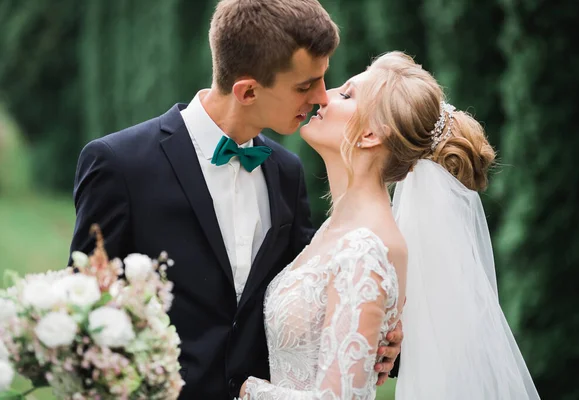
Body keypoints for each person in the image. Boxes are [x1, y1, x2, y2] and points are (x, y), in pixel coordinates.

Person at [69, 1, 402, 399]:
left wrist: (386, 342)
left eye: (321, 79)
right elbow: (84, 315)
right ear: (247, 91)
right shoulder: (119, 165)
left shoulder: (286, 171)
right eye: (303, 86)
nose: (321, 98)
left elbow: (311, 296)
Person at [237, 50, 539, 399]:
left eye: (346, 95)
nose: (323, 95)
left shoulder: (365, 249)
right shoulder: (335, 232)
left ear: (369, 136)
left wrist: (245, 391)